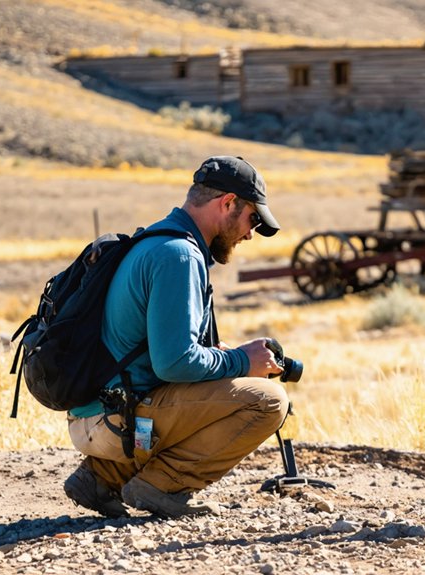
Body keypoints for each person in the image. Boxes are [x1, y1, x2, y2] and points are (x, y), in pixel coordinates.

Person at [62, 156, 290, 518]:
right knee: (269, 401)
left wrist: (222, 361)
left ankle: (102, 477)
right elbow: (175, 363)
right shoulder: (179, 256)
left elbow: (161, 355)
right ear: (228, 203)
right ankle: (163, 485)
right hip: (114, 421)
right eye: (253, 219)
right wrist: (244, 361)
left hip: (98, 414)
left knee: (227, 384)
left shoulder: (160, 239)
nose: (249, 233)